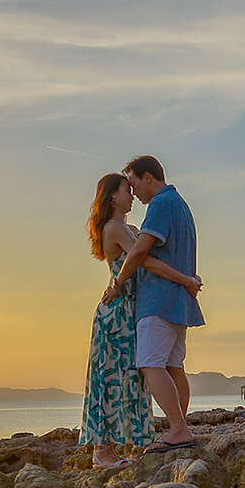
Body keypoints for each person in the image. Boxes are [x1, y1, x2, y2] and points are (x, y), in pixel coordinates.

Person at [82, 172, 201, 468]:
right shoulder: (114, 228)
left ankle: (170, 431)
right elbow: (145, 260)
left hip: (130, 309)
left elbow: (150, 257)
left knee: (127, 378)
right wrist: (185, 278)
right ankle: (101, 451)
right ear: (112, 197)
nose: (132, 194)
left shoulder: (129, 228)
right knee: (109, 378)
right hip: (118, 312)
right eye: (126, 190)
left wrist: (186, 277)